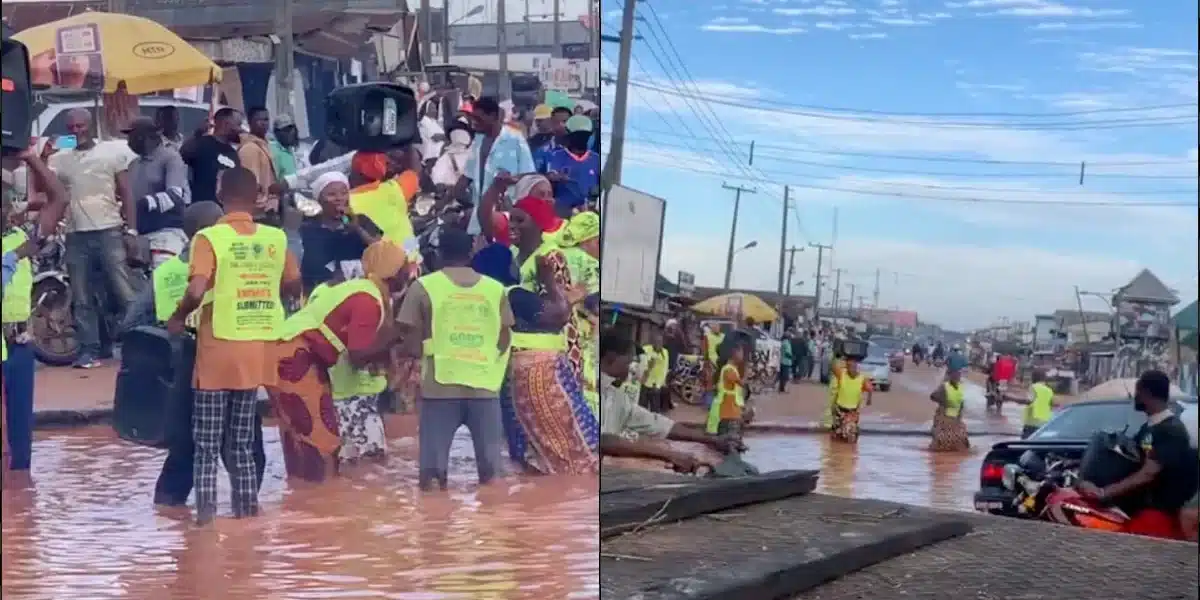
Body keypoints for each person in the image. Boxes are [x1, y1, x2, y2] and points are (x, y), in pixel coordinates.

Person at [165, 166, 302, 524]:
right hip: (257, 348)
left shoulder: (209, 238)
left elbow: (196, 290)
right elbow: (293, 284)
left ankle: (205, 522)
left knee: (207, 446)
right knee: (241, 442)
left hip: (218, 352)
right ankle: (247, 516)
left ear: (221, 195)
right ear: (257, 196)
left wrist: (179, 317)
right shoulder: (276, 238)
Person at [120, 201, 270, 506]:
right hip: (233, 359)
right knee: (244, 444)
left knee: (187, 446)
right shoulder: (238, 266)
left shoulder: (165, 273)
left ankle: (174, 515)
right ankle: (248, 518)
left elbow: (131, 324)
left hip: (182, 367)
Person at [269, 239, 408, 475]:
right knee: (320, 440)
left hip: (293, 351)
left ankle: (303, 499)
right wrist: (397, 336)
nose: (409, 273)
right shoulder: (368, 300)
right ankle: (319, 499)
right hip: (295, 355)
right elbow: (357, 355)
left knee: (302, 436)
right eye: (405, 267)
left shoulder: (366, 291)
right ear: (392, 271)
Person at [394, 229, 512, 491]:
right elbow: (504, 339)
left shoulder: (423, 287)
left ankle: (435, 527)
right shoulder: (496, 289)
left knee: (432, 477)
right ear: (472, 252)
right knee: (493, 475)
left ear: (438, 253)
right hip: (484, 387)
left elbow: (410, 341)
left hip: (439, 388)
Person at [472, 241, 598, 475]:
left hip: (516, 372)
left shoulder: (489, 298)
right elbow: (558, 315)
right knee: (571, 447)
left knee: (534, 447)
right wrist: (549, 281)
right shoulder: (514, 295)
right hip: (537, 372)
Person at [46, 108, 140, 369]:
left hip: (109, 229)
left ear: (90, 126)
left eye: (80, 126)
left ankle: (139, 343)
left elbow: (127, 193)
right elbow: (47, 186)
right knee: (82, 295)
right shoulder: (61, 160)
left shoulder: (110, 154)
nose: (76, 131)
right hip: (76, 233)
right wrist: (41, 159)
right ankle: (90, 349)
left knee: (122, 290)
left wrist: (131, 231)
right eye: (72, 127)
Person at [4, 147, 69, 477]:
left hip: (19, 343)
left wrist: (31, 158)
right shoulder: (20, 246)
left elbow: (58, 198)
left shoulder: (24, 237)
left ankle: (18, 498)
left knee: (20, 437)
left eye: (5, 203)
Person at [1077, 370, 1199, 541]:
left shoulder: (1170, 430)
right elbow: (1131, 457)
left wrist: (1104, 492)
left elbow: (1148, 473)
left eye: (1138, 392)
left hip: (1157, 513)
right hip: (1140, 507)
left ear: (1147, 393)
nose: (1135, 396)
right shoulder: (1150, 427)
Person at [599, 330, 740, 473]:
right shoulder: (592, 389)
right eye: (629, 362)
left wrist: (713, 440)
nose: (632, 369)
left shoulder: (617, 395)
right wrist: (669, 455)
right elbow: (604, 440)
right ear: (611, 358)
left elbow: (659, 424)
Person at [455, 96, 535, 238]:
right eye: (473, 118)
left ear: (492, 116)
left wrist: (510, 180)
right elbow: (468, 174)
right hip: (479, 214)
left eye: (478, 119)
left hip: (505, 214)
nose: (474, 123)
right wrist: (457, 193)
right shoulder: (478, 140)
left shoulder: (515, 139)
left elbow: (529, 176)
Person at [297, 172, 379, 294]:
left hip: (357, 291)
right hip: (319, 292)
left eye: (344, 193)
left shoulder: (362, 221)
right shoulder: (308, 227)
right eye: (331, 194)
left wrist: (357, 229)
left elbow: (380, 251)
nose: (339, 198)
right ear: (319, 199)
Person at [125, 116, 191, 267]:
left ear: (145, 137)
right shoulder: (134, 164)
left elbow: (176, 196)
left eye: (132, 136)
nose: (129, 141)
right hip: (141, 234)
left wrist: (144, 203)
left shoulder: (171, 158)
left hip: (166, 233)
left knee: (164, 279)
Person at [539, 115, 600, 215]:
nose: (581, 139)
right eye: (577, 135)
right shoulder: (555, 155)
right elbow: (550, 177)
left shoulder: (596, 158)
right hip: (563, 212)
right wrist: (556, 178)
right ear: (568, 134)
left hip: (590, 213)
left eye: (585, 135)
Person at [181, 107, 242, 205]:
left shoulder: (233, 153)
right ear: (225, 124)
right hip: (202, 209)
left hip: (224, 212)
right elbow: (182, 155)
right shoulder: (202, 144)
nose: (240, 129)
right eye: (238, 125)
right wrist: (197, 133)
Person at [238, 106, 280, 219]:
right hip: (258, 211)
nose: (264, 123)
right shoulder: (250, 148)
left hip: (269, 208)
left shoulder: (264, 145)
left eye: (266, 120)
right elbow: (251, 183)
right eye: (259, 120)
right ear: (250, 122)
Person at [707, 344, 747, 440]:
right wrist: (746, 374)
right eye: (741, 353)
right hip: (728, 409)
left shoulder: (730, 368)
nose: (742, 356)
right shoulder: (729, 370)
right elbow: (741, 383)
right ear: (735, 354)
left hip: (729, 407)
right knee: (728, 437)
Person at [829, 357, 872, 444]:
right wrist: (837, 357)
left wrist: (869, 400)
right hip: (839, 409)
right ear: (846, 367)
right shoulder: (842, 374)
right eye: (848, 366)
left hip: (852, 411)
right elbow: (833, 367)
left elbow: (870, 389)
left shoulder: (862, 378)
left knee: (851, 435)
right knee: (836, 436)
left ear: (856, 367)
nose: (850, 369)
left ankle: (851, 453)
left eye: (852, 366)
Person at [1004, 369, 1057, 439]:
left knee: (1025, 445)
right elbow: (1053, 404)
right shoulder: (1049, 390)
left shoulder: (1034, 387)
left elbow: (1028, 401)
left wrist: (1010, 398)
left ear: (1034, 377)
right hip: (1044, 423)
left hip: (1032, 423)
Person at [930, 368, 969, 451]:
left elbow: (933, 396)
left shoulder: (952, 387)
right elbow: (933, 396)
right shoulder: (952, 387)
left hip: (950, 417)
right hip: (950, 417)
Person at [640, 331, 671, 414]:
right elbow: (642, 364)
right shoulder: (645, 349)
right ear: (652, 342)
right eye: (656, 342)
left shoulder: (665, 352)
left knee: (655, 410)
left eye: (660, 342)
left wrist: (660, 384)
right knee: (642, 408)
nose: (658, 344)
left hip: (656, 384)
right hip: (644, 382)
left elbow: (665, 368)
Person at [269, 114, 305, 183]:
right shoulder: (273, 151)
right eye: (285, 130)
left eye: (291, 129)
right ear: (276, 133)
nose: (290, 133)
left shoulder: (292, 149)